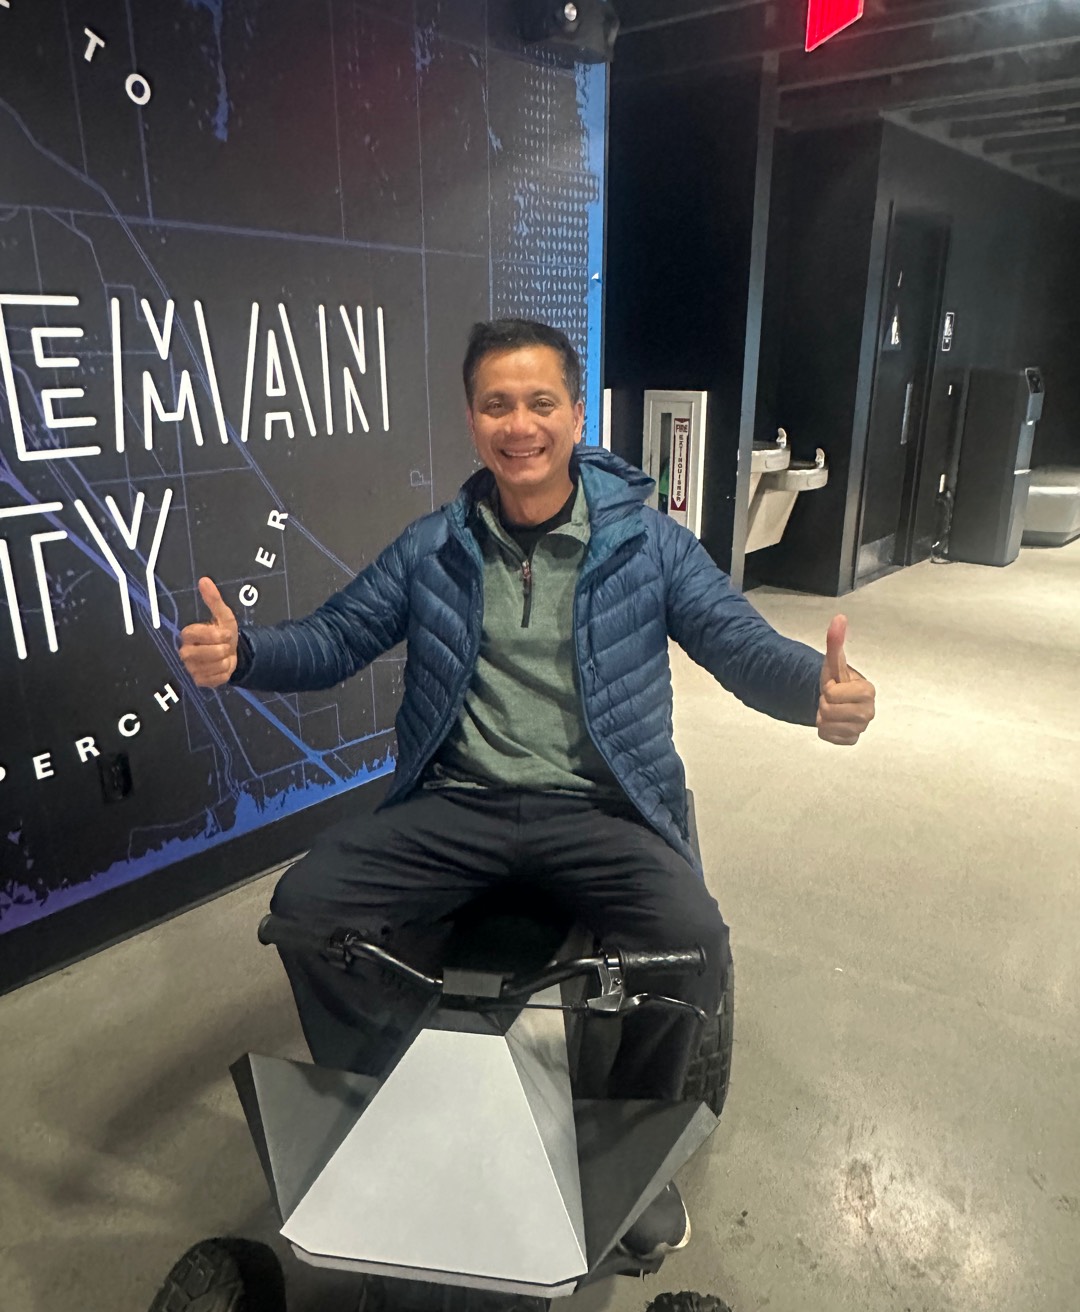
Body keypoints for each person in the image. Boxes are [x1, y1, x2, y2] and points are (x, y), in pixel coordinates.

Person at [179, 318, 876, 1258]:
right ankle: (394, 1098)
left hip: (600, 808)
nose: (520, 425)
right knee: (306, 910)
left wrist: (815, 692)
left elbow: (739, 644)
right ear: (472, 421)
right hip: (457, 804)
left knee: (692, 947)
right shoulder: (434, 547)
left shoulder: (647, 545)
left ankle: (629, 1141)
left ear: (577, 415)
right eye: (496, 405)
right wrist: (248, 654)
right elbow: (338, 639)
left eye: (540, 402)